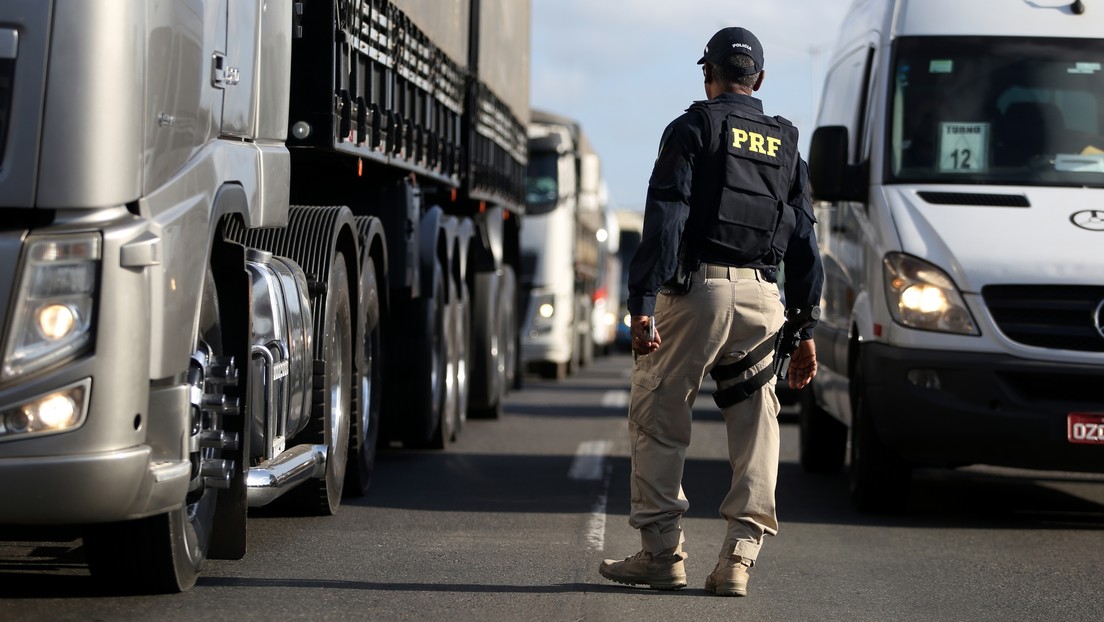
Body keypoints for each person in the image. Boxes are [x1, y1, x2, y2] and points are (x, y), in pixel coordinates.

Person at [598, 26, 824, 597]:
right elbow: (804, 240)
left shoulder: (694, 127)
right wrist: (804, 328)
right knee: (757, 428)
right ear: (761, 81)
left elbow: (668, 215)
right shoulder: (788, 141)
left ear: (709, 75)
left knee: (659, 417)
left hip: (698, 293)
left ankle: (660, 554)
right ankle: (738, 561)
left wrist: (643, 301)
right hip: (764, 301)